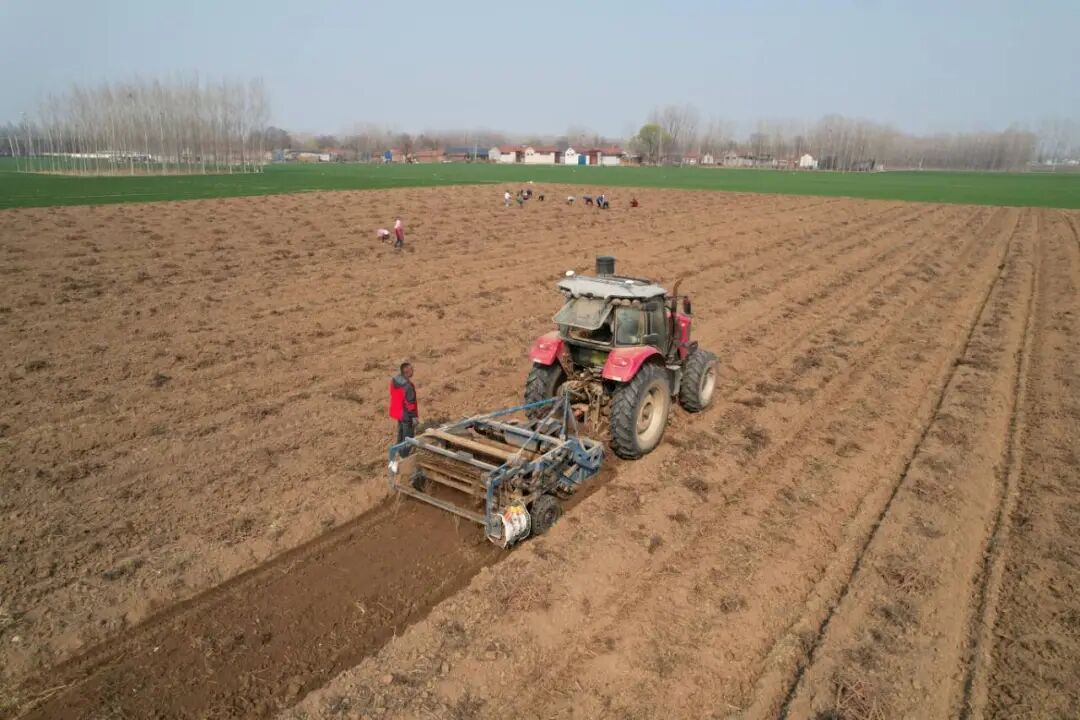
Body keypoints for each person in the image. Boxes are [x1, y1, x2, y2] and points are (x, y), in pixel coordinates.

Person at [389, 362, 419, 448]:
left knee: (401, 432)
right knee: (408, 438)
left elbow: (393, 394)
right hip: (407, 415)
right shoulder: (408, 386)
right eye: (412, 369)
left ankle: (397, 449)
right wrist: (414, 417)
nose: (413, 371)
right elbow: (410, 404)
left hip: (398, 412)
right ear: (407, 371)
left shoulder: (395, 380)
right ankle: (404, 453)